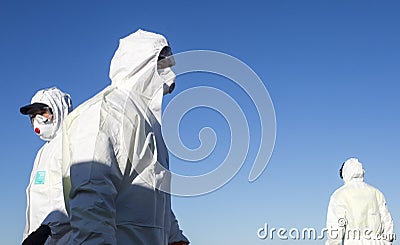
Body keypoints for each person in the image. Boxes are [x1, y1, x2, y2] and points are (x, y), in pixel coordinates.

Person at [62, 29, 189, 244]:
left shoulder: (151, 124)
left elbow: (155, 194)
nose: (170, 72)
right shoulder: (104, 112)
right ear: (140, 63)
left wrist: (176, 236)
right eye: (162, 63)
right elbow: (91, 197)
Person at [20, 87, 73, 244]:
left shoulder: (70, 143)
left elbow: (75, 194)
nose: (37, 119)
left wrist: (49, 229)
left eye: (42, 112)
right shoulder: (42, 153)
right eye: (33, 115)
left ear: (58, 110)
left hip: (63, 238)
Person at [325, 158, 394, 244]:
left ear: (344, 173)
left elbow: (335, 230)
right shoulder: (377, 193)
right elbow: (388, 223)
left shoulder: (339, 195)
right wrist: (385, 243)